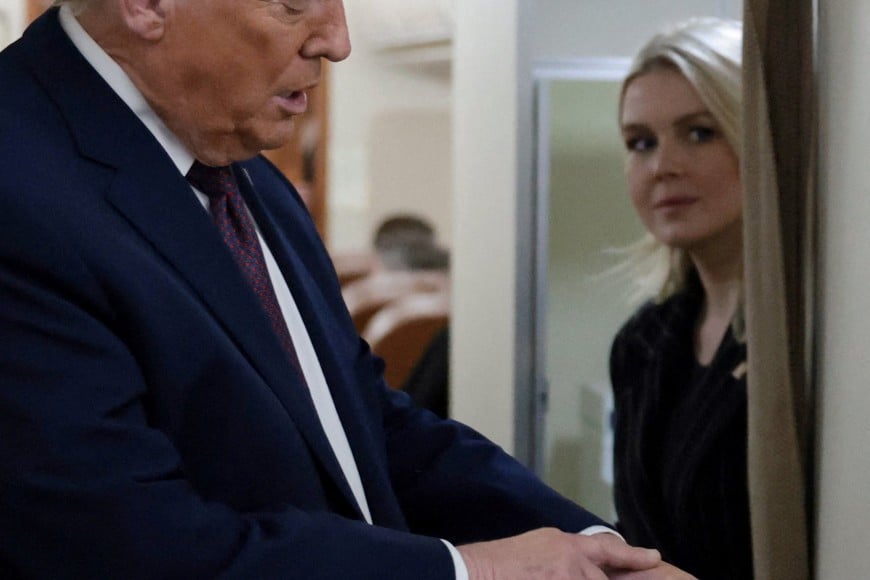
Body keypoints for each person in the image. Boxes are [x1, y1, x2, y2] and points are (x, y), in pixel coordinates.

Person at [0, 1, 693, 578]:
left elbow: (363, 421)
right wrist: (471, 570)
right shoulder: (20, 182)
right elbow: (118, 544)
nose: (338, 40)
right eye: (294, 2)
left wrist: (604, 552)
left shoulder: (246, 177)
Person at [608, 18, 752, 579]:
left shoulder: (809, 340)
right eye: (640, 143)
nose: (663, 166)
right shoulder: (642, 342)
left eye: (699, 132)